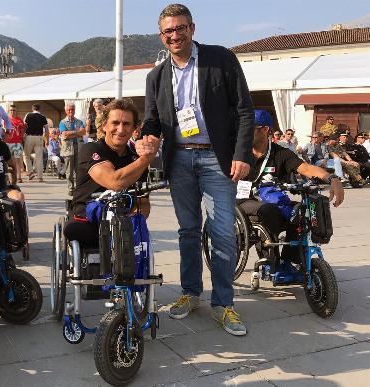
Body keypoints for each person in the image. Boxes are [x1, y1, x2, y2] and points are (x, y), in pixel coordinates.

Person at [138, 4, 254, 335]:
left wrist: (241, 153)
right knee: (188, 230)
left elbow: (245, 110)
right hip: (180, 162)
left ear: (192, 28)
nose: (174, 35)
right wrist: (147, 137)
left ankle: (223, 303)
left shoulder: (221, 59)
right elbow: (152, 120)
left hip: (218, 159)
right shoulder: (156, 76)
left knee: (221, 233)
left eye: (180, 28)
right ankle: (190, 293)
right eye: (167, 31)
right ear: (162, 36)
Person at [238, 110, 344, 268]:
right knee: (268, 210)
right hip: (243, 201)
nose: (244, 132)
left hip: (272, 199)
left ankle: (290, 260)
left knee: (301, 211)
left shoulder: (280, 153)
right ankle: (270, 261)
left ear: (265, 130)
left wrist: (332, 178)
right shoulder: (239, 153)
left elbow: (307, 168)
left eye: (250, 128)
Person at [64, 99, 159, 245]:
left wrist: (132, 220)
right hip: (87, 220)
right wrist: (146, 159)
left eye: (126, 124)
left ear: (135, 128)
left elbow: (143, 203)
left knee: (140, 237)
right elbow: (115, 182)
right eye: (115, 123)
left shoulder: (135, 159)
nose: (120, 130)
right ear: (104, 126)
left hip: (122, 222)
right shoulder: (91, 149)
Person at [59, 102, 86, 196]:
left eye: (72, 109)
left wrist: (71, 133)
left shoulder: (80, 121)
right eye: (69, 110)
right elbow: (64, 134)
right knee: (69, 171)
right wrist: (77, 132)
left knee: (79, 169)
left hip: (78, 147)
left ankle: (79, 187)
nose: (71, 111)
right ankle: (71, 188)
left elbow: (83, 132)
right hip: (68, 148)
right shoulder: (62, 122)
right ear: (66, 111)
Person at [23, 104, 48, 182]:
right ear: (39, 109)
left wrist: (23, 135)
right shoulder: (43, 117)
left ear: (32, 108)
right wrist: (47, 139)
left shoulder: (28, 115)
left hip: (29, 137)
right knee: (39, 157)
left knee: (26, 155)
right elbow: (46, 129)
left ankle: (30, 173)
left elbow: (24, 125)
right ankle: (40, 177)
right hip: (39, 137)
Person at [6, 105, 26, 183]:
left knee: (17, 160)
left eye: (14, 110)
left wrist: (21, 136)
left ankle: (19, 177)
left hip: (17, 143)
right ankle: (7, 177)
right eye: (11, 110)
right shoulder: (6, 119)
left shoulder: (19, 120)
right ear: (8, 111)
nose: (12, 112)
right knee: (7, 160)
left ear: (16, 111)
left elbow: (24, 128)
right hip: (7, 142)